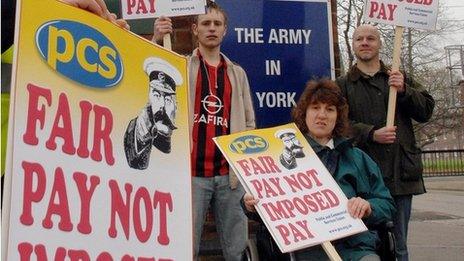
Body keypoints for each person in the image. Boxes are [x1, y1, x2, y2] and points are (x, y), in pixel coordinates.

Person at [243, 79, 395, 261]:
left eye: (329, 109)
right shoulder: (280, 157)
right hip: (302, 249)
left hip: (354, 247)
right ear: (304, 113)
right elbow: (268, 206)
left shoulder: (357, 158)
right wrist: (250, 205)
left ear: (338, 116)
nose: (322, 115)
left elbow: (387, 204)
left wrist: (369, 207)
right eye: (315, 108)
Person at [153, 1, 256, 260]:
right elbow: (153, 77)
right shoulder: (180, 66)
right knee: (185, 248)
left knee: (237, 249)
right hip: (191, 175)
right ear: (195, 29)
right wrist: (156, 39)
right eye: (206, 23)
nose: (212, 28)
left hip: (230, 177)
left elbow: (249, 123)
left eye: (217, 24)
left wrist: (246, 172)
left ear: (225, 30)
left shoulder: (237, 74)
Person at [336, 24, 435, 261]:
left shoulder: (397, 77)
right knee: (366, 245)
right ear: (353, 45)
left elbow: (426, 110)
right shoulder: (343, 85)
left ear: (380, 44)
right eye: (359, 39)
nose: (365, 42)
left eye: (371, 38)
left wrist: (404, 90)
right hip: (362, 179)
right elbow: (337, 124)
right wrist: (370, 133)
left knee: (399, 247)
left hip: (399, 174)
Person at [124, 57, 182, 169]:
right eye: (156, 96)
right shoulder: (138, 128)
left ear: (176, 106)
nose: (162, 105)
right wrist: (142, 134)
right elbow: (135, 161)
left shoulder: (181, 137)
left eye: (168, 100)